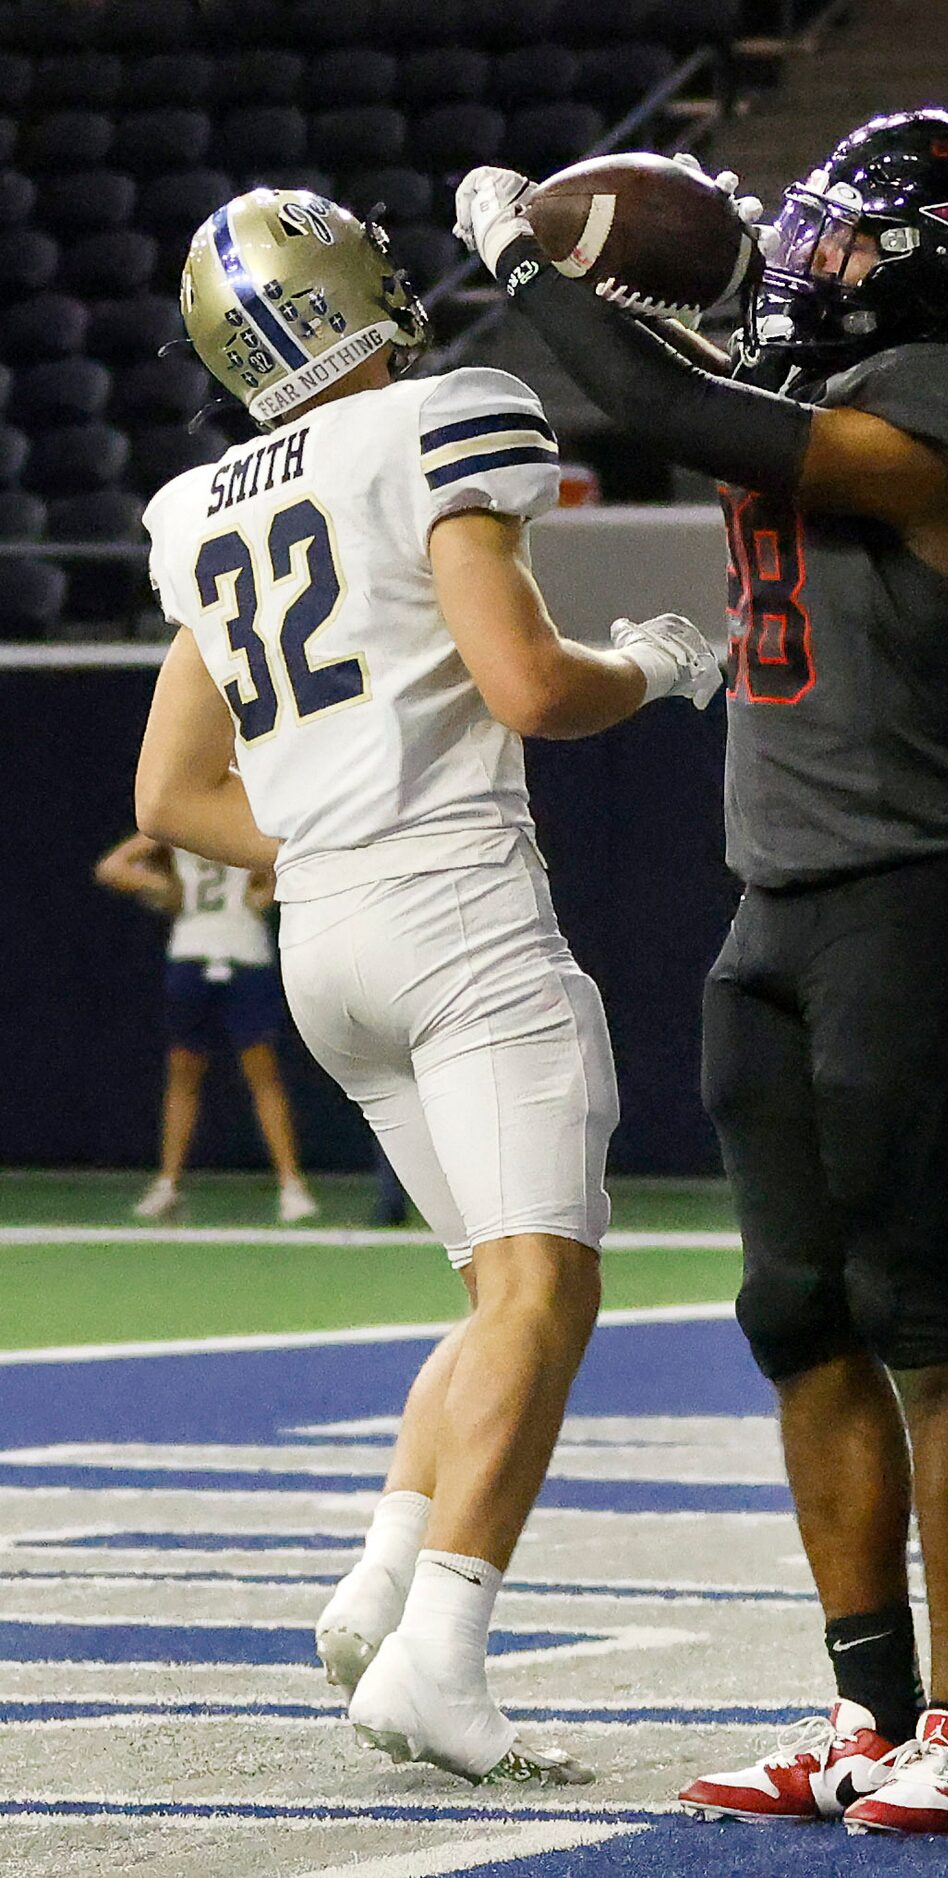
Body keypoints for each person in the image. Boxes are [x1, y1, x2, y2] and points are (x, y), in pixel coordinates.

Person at [456, 108, 948, 1834]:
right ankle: (859, 1704)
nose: (806, 257)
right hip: (780, 906)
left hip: (911, 899)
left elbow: (660, 407)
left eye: (845, 236)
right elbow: (680, 377)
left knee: (924, 1321)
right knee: (795, 1315)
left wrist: (521, 253)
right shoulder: (825, 380)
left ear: (942, 262)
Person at [133, 187, 720, 1786]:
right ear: (354, 288)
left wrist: (329, 837)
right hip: (454, 908)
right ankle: (442, 1650)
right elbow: (531, 685)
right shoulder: (442, 421)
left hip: (323, 933)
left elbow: (171, 798)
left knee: (494, 1292)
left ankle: (386, 1576)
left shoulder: (199, 506)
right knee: (548, 1292)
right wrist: (662, 665)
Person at [94, 834, 317, 1223]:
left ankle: (291, 1183)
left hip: (240, 951)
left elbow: (287, 866)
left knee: (260, 1073)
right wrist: (158, 884)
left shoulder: (242, 819)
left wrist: (266, 885)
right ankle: (169, 1184)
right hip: (200, 952)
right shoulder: (182, 822)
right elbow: (113, 867)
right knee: (186, 1073)